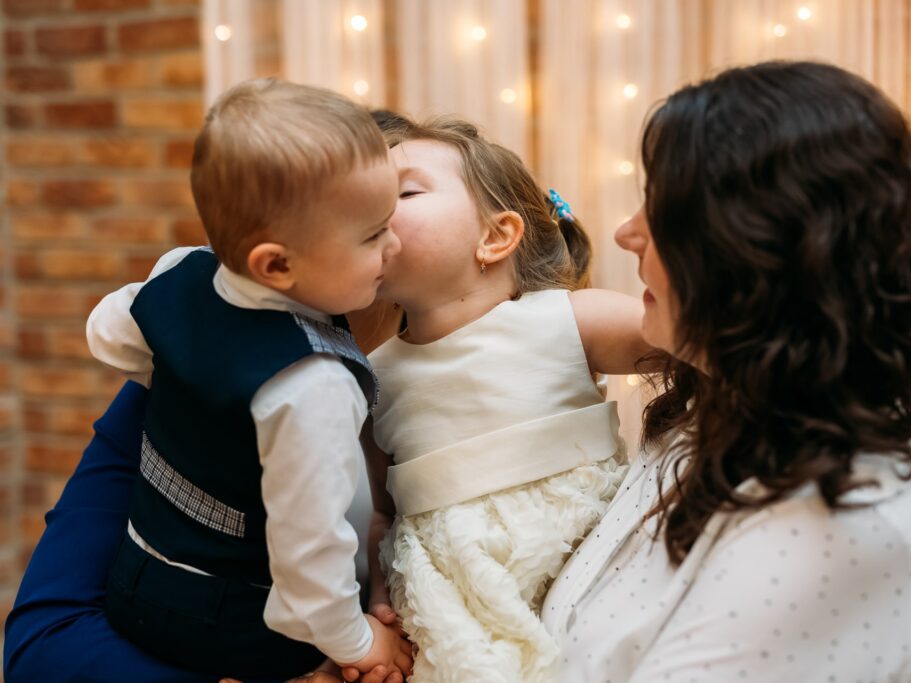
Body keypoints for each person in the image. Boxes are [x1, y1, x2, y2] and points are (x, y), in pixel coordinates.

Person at [540, 60, 911, 681]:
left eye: (664, 211)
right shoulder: (721, 404)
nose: (626, 233)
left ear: (756, 251)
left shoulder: (835, 531)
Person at [82, 78, 410, 681]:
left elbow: (107, 332)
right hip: (233, 622)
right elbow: (310, 557)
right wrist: (359, 643)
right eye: (373, 234)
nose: (394, 245)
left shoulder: (182, 269)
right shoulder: (312, 384)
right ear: (277, 264)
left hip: (131, 578)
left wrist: (191, 381)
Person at [360, 116, 650, 683]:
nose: (371, 210)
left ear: (494, 236)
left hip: (586, 560)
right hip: (452, 594)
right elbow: (380, 511)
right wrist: (379, 596)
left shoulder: (565, 319)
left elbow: (695, 340)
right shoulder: (372, 375)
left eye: (405, 192)